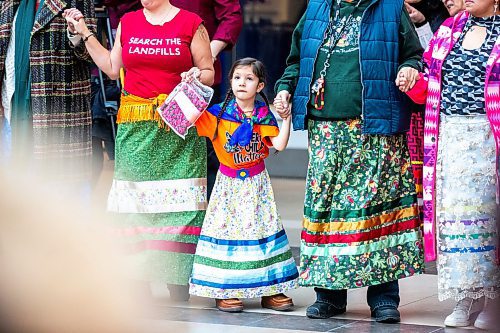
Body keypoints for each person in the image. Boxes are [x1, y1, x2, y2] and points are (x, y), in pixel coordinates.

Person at [274, 0, 424, 324]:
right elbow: (296, 61)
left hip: (374, 127)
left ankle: (384, 298)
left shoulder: (390, 8)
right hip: (325, 130)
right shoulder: (316, 8)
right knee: (327, 214)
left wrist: (409, 67)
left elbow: (414, 54)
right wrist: (285, 89)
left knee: (375, 213)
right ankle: (328, 296)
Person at [63, 0, 214, 301]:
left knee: (180, 200)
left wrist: (196, 75)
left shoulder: (191, 23)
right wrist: (84, 33)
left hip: (179, 125)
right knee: (132, 201)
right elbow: (110, 68)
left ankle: (177, 277)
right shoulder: (129, 22)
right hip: (136, 125)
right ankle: (136, 275)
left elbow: (209, 71)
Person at [399, 1, 500, 329]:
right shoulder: (449, 30)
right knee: (456, 219)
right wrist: (412, 80)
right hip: (449, 138)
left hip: (488, 135)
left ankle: (494, 299)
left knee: (489, 217)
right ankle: (465, 297)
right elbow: (428, 86)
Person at [189, 58, 298, 312]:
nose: (242, 83)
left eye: (249, 79)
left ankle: (269, 288)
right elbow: (185, 114)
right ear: (230, 82)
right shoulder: (217, 114)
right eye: (237, 77)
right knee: (228, 233)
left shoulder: (263, 116)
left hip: (258, 184)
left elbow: (279, 145)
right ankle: (224, 288)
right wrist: (191, 84)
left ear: (260, 86)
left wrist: (286, 118)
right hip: (228, 186)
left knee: (262, 232)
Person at [0, 0, 96, 186]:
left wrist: (76, 34)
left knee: (61, 195)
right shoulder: (8, 3)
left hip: (59, 114)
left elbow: (91, 54)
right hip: (11, 109)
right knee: (16, 192)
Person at [171, 0, 243, 201]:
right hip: (159, 78)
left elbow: (232, 17)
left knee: (207, 153)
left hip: (200, 81)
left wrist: (209, 51)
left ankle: (209, 218)